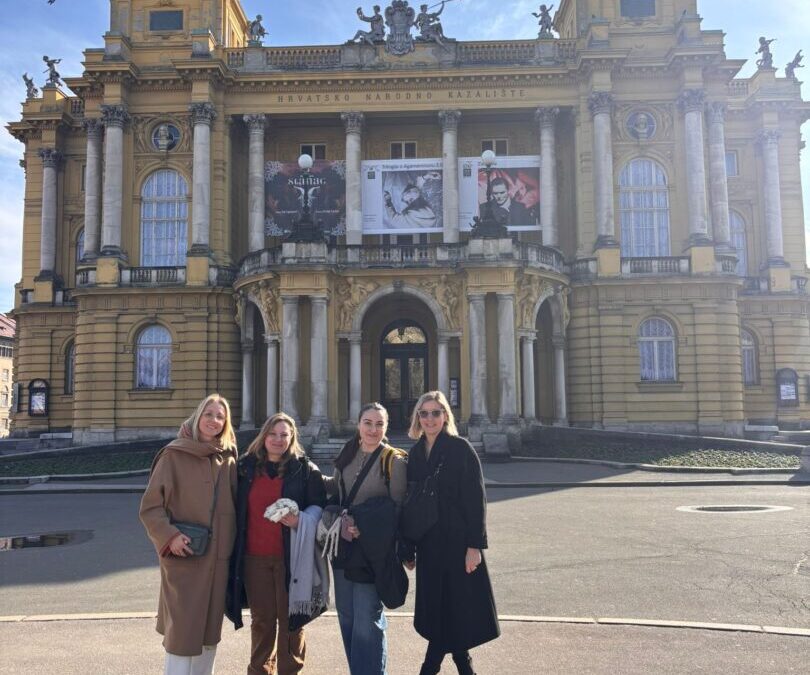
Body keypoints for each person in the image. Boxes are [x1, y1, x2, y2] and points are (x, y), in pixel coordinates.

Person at [139, 394, 238, 675]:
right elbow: (151, 508)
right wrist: (170, 536)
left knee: (209, 634)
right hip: (184, 555)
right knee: (181, 635)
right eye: (209, 414)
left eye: (220, 416)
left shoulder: (228, 457)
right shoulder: (174, 454)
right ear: (198, 417)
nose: (214, 421)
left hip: (218, 560)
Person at [403, 391, 499, 675]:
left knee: (452, 606)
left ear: (445, 416)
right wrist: (408, 548)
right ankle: (465, 667)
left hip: (457, 544)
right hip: (429, 545)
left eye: (435, 412)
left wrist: (474, 546)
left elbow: (475, 500)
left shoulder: (460, 449)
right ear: (417, 419)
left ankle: (429, 668)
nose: (430, 419)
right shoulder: (415, 454)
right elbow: (410, 505)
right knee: (443, 608)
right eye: (424, 413)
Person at [226, 412, 327, 675]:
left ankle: (290, 670)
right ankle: (259, 670)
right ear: (264, 436)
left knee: (292, 621)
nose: (278, 439)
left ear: (292, 437)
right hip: (254, 558)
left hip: (290, 558)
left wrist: (300, 520)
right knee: (262, 621)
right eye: (273, 434)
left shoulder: (304, 469)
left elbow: (319, 504)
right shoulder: (245, 468)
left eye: (284, 434)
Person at [326, 402, 408, 675]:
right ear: (358, 424)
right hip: (343, 549)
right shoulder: (347, 453)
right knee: (347, 618)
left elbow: (397, 511)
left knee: (367, 621)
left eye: (379, 424)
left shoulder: (393, 461)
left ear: (386, 427)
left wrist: (364, 527)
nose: (373, 429)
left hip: (373, 554)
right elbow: (336, 492)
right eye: (368, 422)